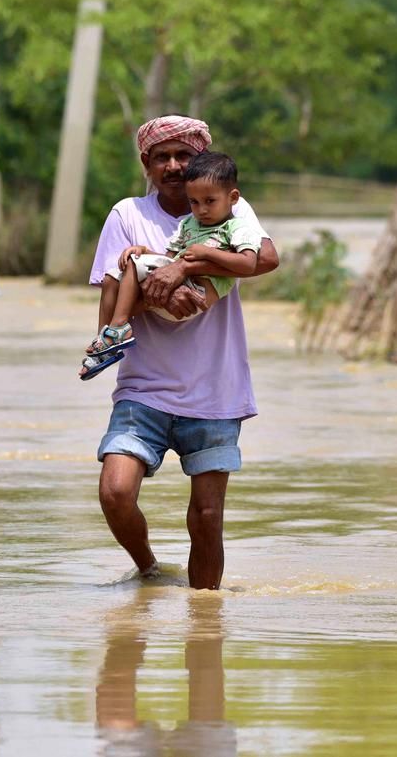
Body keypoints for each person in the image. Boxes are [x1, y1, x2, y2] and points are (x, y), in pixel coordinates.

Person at [89, 115, 278, 590]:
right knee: (115, 493)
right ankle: (148, 569)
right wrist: (160, 293)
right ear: (146, 164)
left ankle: (205, 618)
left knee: (208, 516)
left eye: (183, 156)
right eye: (161, 157)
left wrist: (186, 268)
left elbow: (266, 258)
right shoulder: (127, 215)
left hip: (215, 389)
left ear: (201, 162)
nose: (173, 166)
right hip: (143, 387)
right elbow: (112, 301)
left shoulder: (231, 208)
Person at [80, 152, 263, 379]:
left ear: (233, 197)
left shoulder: (237, 227)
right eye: (194, 202)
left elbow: (248, 264)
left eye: (209, 201)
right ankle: (105, 340)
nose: (202, 210)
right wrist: (144, 251)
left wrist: (206, 253)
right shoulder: (190, 224)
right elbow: (168, 263)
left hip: (195, 297)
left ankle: (116, 330)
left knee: (131, 279)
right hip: (178, 287)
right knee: (114, 276)